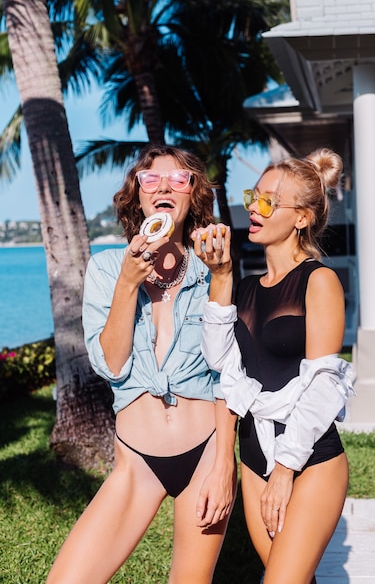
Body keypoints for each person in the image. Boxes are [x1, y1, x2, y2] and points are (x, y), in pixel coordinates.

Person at [46, 145, 237, 584]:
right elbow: (111, 365)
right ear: (139, 197)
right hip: (137, 461)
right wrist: (128, 285)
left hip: (205, 451)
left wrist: (225, 466)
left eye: (179, 179)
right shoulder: (107, 268)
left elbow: (227, 370)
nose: (165, 186)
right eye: (151, 180)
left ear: (193, 197)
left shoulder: (212, 270)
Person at [194, 148, 355, 584]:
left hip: (310, 462)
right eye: (253, 196)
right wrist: (221, 278)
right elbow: (221, 368)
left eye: (268, 201)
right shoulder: (243, 287)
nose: (253, 208)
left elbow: (325, 385)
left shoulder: (318, 281)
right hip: (254, 459)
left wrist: (285, 471)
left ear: (301, 218)